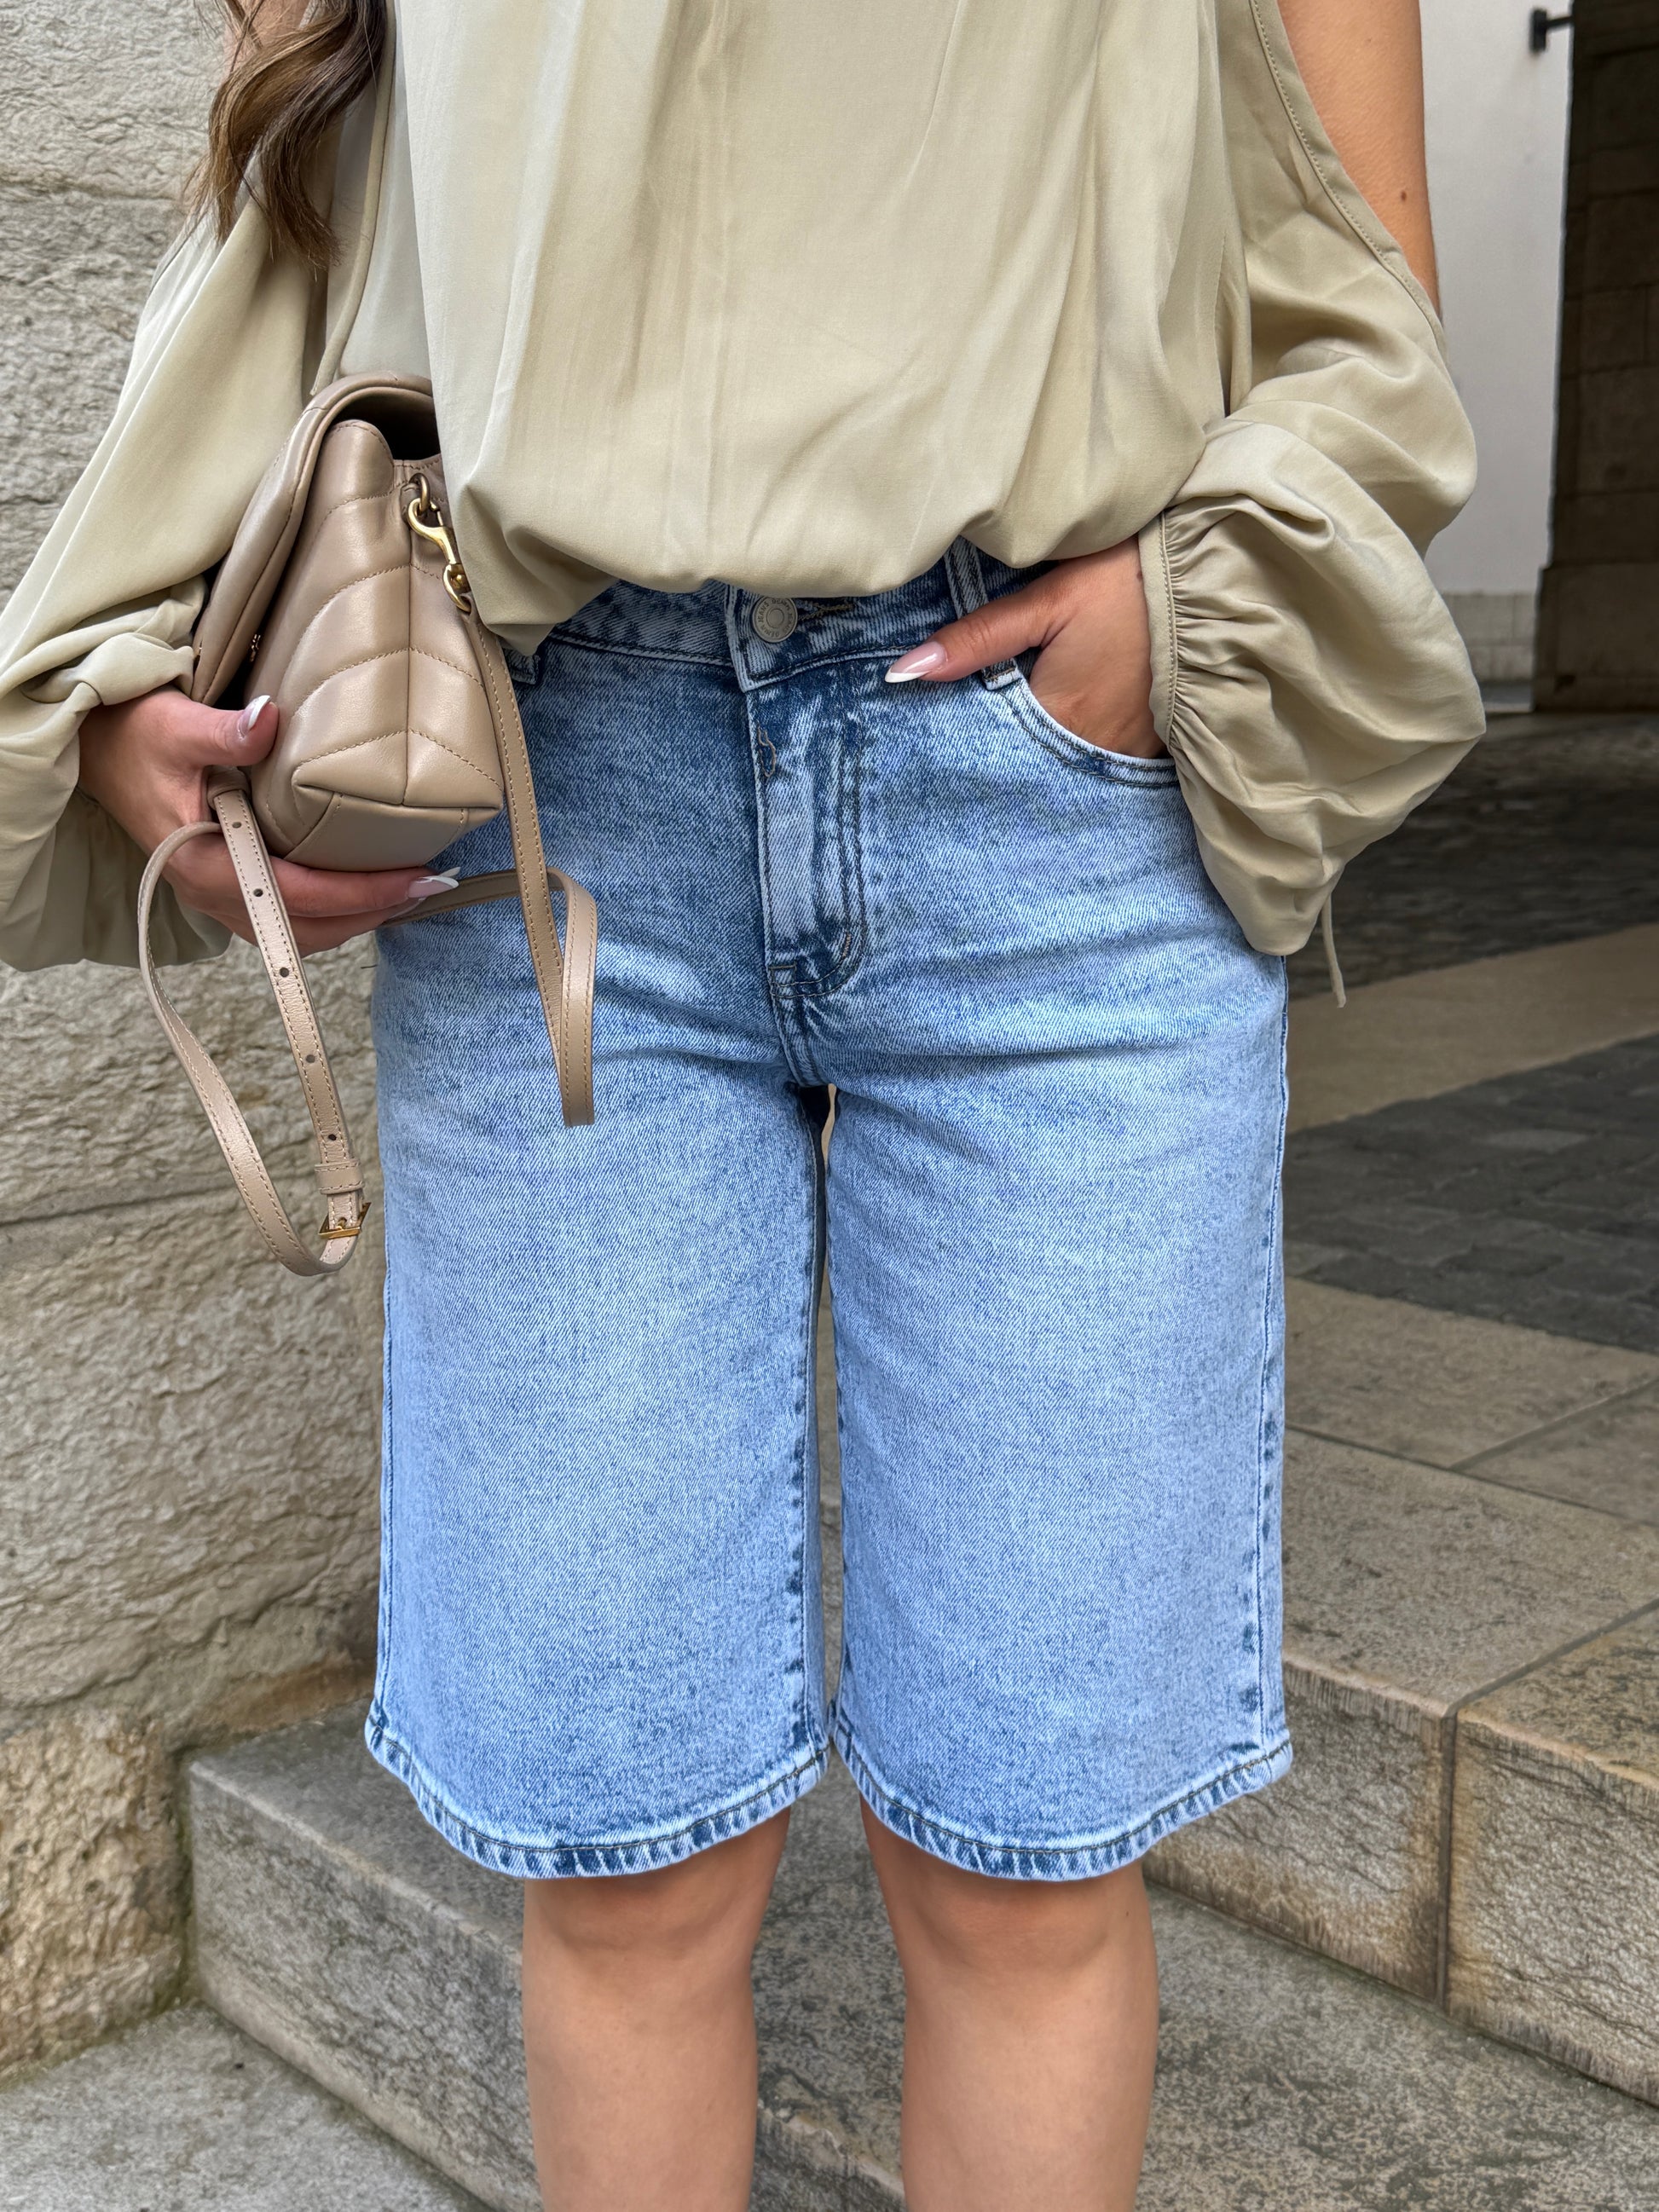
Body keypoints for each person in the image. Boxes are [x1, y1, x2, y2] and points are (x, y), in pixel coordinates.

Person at [0, 3, 1482, 2205]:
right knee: (623, 1856)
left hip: (1049, 798)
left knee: (1025, 1857)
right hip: (550, 782)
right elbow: (293, 225)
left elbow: (1359, 273)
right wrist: (132, 665)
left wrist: (1181, 618)